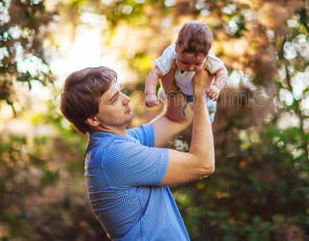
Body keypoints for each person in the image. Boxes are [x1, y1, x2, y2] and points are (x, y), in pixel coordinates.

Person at [60, 65, 215, 240]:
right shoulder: (114, 156)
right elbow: (203, 164)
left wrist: (168, 76)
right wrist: (199, 93)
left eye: (121, 92)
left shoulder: (118, 143)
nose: (126, 99)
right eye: (113, 99)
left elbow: (177, 119)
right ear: (93, 119)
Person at [144, 21, 228, 122]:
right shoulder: (170, 55)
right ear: (176, 48)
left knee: (209, 108)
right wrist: (150, 94)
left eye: (197, 64)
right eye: (184, 62)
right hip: (178, 91)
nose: (191, 67)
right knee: (163, 96)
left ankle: (206, 120)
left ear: (206, 56)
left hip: (203, 94)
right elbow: (155, 73)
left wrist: (217, 86)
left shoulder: (209, 57)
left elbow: (222, 71)